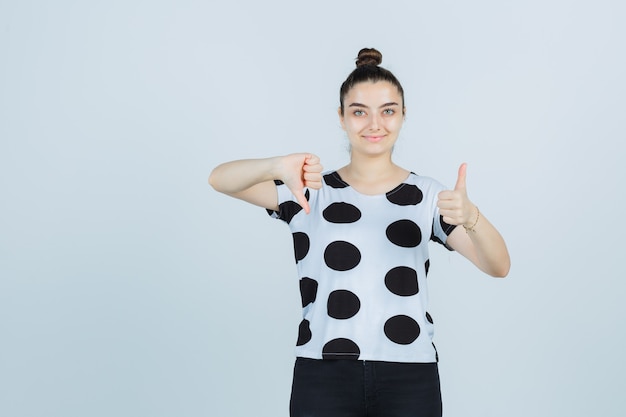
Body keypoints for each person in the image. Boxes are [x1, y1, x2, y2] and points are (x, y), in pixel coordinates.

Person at [209, 47, 510, 417]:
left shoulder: (428, 196)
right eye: (359, 112)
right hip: (323, 373)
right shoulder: (308, 189)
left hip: (409, 374)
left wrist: (472, 216)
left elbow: (498, 265)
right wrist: (276, 165)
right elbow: (219, 179)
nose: (374, 124)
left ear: (402, 115)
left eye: (387, 111)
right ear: (341, 117)